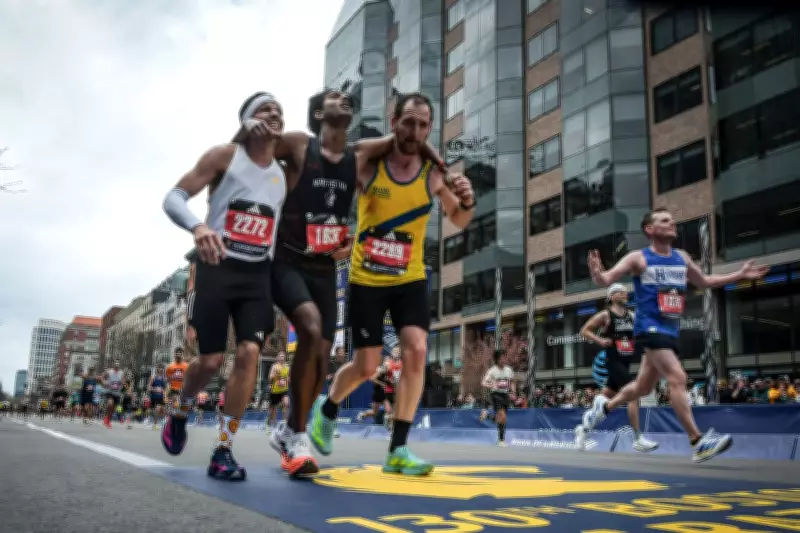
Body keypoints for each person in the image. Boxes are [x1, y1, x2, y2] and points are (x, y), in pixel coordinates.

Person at [264, 89, 445, 477]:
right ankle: (305, 428)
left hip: (349, 271)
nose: (344, 96)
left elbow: (403, 146)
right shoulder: (306, 147)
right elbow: (252, 154)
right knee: (333, 346)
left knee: (340, 351)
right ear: (316, 113)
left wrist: (446, 173)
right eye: (333, 96)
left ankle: (387, 445)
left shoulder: (357, 157)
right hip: (310, 264)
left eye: (423, 125)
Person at [307, 92, 476, 476]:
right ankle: (328, 408)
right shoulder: (370, 165)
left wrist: (468, 199)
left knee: (416, 349)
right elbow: (347, 151)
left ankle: (398, 448)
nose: (415, 131)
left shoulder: (434, 175)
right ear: (394, 121)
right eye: (408, 122)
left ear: (430, 128)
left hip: (410, 278)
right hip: (366, 278)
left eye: (422, 124)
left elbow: (460, 219)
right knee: (367, 365)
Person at [161, 91, 287, 481]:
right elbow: (174, 196)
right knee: (211, 360)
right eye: (264, 109)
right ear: (247, 120)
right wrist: (198, 227)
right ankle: (181, 409)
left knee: (250, 352)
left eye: (279, 110)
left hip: (256, 276)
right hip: (217, 268)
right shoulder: (224, 156)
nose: (273, 114)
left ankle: (223, 449)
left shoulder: (284, 172)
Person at [579, 208, 769, 463]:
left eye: (672, 220)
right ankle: (697, 441)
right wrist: (596, 273)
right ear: (650, 229)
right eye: (665, 220)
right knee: (677, 377)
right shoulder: (639, 258)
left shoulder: (682, 258)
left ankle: (602, 409)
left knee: (642, 387)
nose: (672, 223)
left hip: (670, 330)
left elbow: (704, 281)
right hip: (649, 329)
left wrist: (739, 275)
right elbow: (607, 278)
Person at [574, 283, 659, 452]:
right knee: (633, 392)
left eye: (626, 292)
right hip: (613, 361)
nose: (624, 294)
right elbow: (584, 330)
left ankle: (583, 430)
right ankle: (638, 438)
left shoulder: (632, 316)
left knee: (605, 400)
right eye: (620, 292)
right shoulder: (606, 315)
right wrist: (600, 341)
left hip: (626, 362)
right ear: (611, 296)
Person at [479, 350, 516, 446]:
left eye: (504, 357)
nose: (503, 359)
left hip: (505, 395)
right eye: (501, 358)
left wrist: (513, 392)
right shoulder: (492, 370)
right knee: (502, 416)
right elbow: (483, 383)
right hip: (496, 395)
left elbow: (512, 382)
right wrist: (491, 385)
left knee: (502, 419)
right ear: (497, 359)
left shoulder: (509, 370)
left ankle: (487, 416)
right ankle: (502, 440)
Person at [267, 352, 290, 433]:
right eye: (280, 356)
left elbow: (289, 377)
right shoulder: (274, 366)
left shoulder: (287, 367)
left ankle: (285, 424)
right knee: (273, 409)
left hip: (284, 389)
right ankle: (271, 424)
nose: (282, 358)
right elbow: (270, 377)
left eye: (283, 356)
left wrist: (288, 379)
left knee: (286, 403)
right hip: (275, 390)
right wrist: (275, 375)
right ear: (277, 358)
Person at [102, 361, 125, 429]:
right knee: (110, 404)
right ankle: (108, 422)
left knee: (113, 409)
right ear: (114, 364)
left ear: (119, 365)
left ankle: (107, 418)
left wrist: (122, 382)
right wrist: (104, 382)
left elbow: (123, 381)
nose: (117, 364)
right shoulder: (109, 371)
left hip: (117, 393)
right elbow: (102, 376)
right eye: (116, 363)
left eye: (118, 363)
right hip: (110, 392)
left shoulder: (121, 373)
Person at [148, 364, 167, 429]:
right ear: (157, 369)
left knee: (160, 410)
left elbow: (164, 389)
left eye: (162, 368)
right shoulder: (153, 377)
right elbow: (149, 387)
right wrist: (155, 389)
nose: (161, 369)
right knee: (154, 410)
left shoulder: (163, 379)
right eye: (159, 368)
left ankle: (158, 423)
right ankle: (152, 422)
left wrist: (164, 396)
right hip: (153, 396)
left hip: (160, 397)